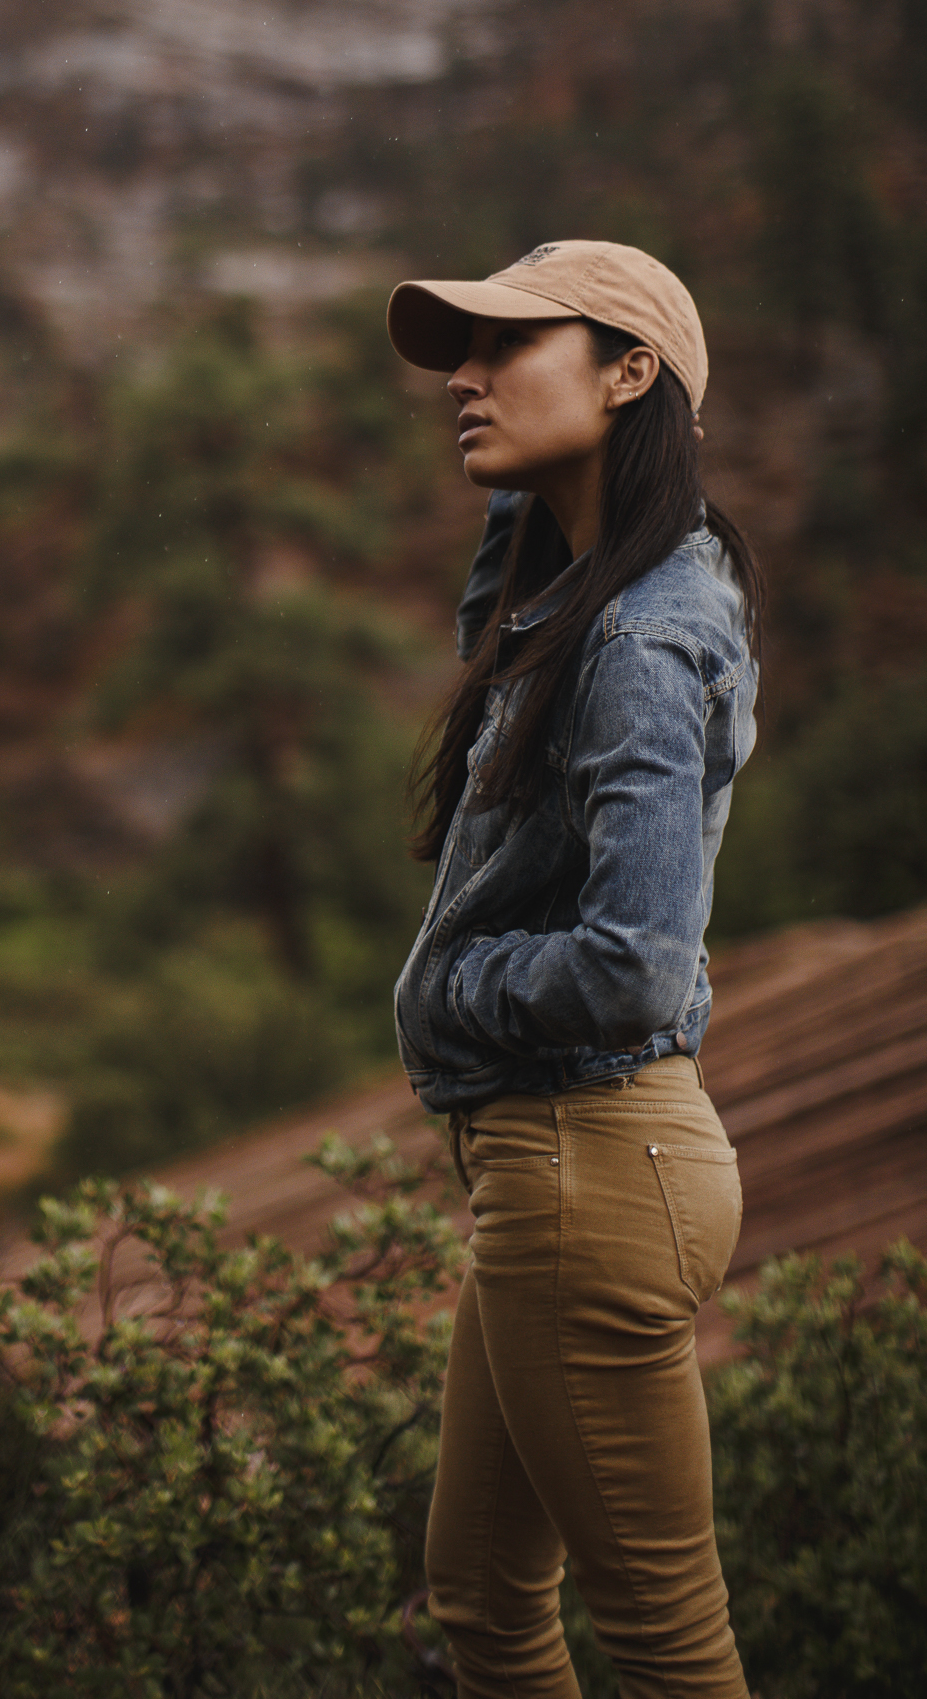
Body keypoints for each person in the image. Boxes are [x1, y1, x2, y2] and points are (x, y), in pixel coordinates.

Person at [385, 239, 761, 1699]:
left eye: (506, 347)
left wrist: (445, 994)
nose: (464, 380)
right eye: (456, 354)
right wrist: (525, 501)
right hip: (563, 1168)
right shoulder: (595, 588)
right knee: (482, 1604)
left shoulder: (643, 640)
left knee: (666, 1640)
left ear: (629, 369)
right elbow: (496, 606)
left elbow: (635, 965)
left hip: (586, 1166)